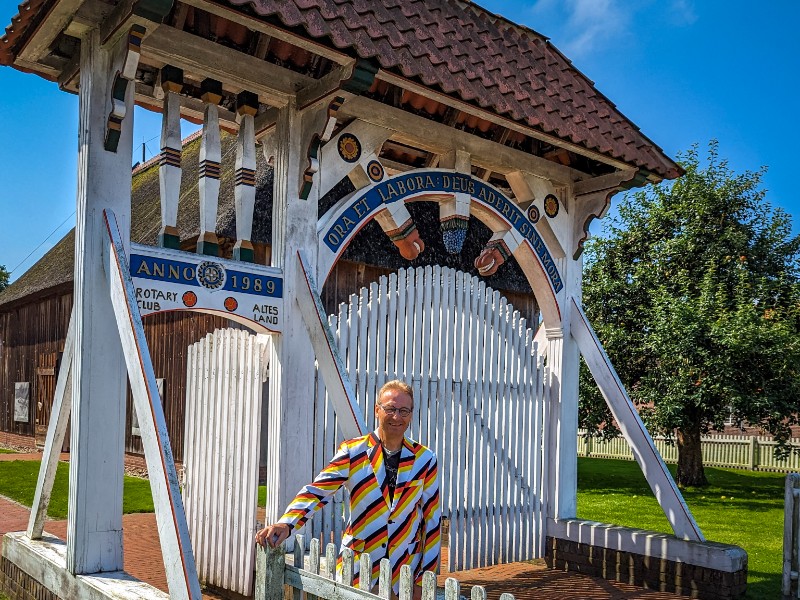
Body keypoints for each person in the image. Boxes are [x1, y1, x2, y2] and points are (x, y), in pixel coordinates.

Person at [255, 379, 441, 594]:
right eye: (390, 409)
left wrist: (423, 579)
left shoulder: (425, 459)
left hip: (404, 567)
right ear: (377, 410)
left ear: (410, 415)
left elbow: (432, 521)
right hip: (359, 564)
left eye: (403, 410)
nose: (396, 416)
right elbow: (317, 491)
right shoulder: (353, 452)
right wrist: (287, 524)